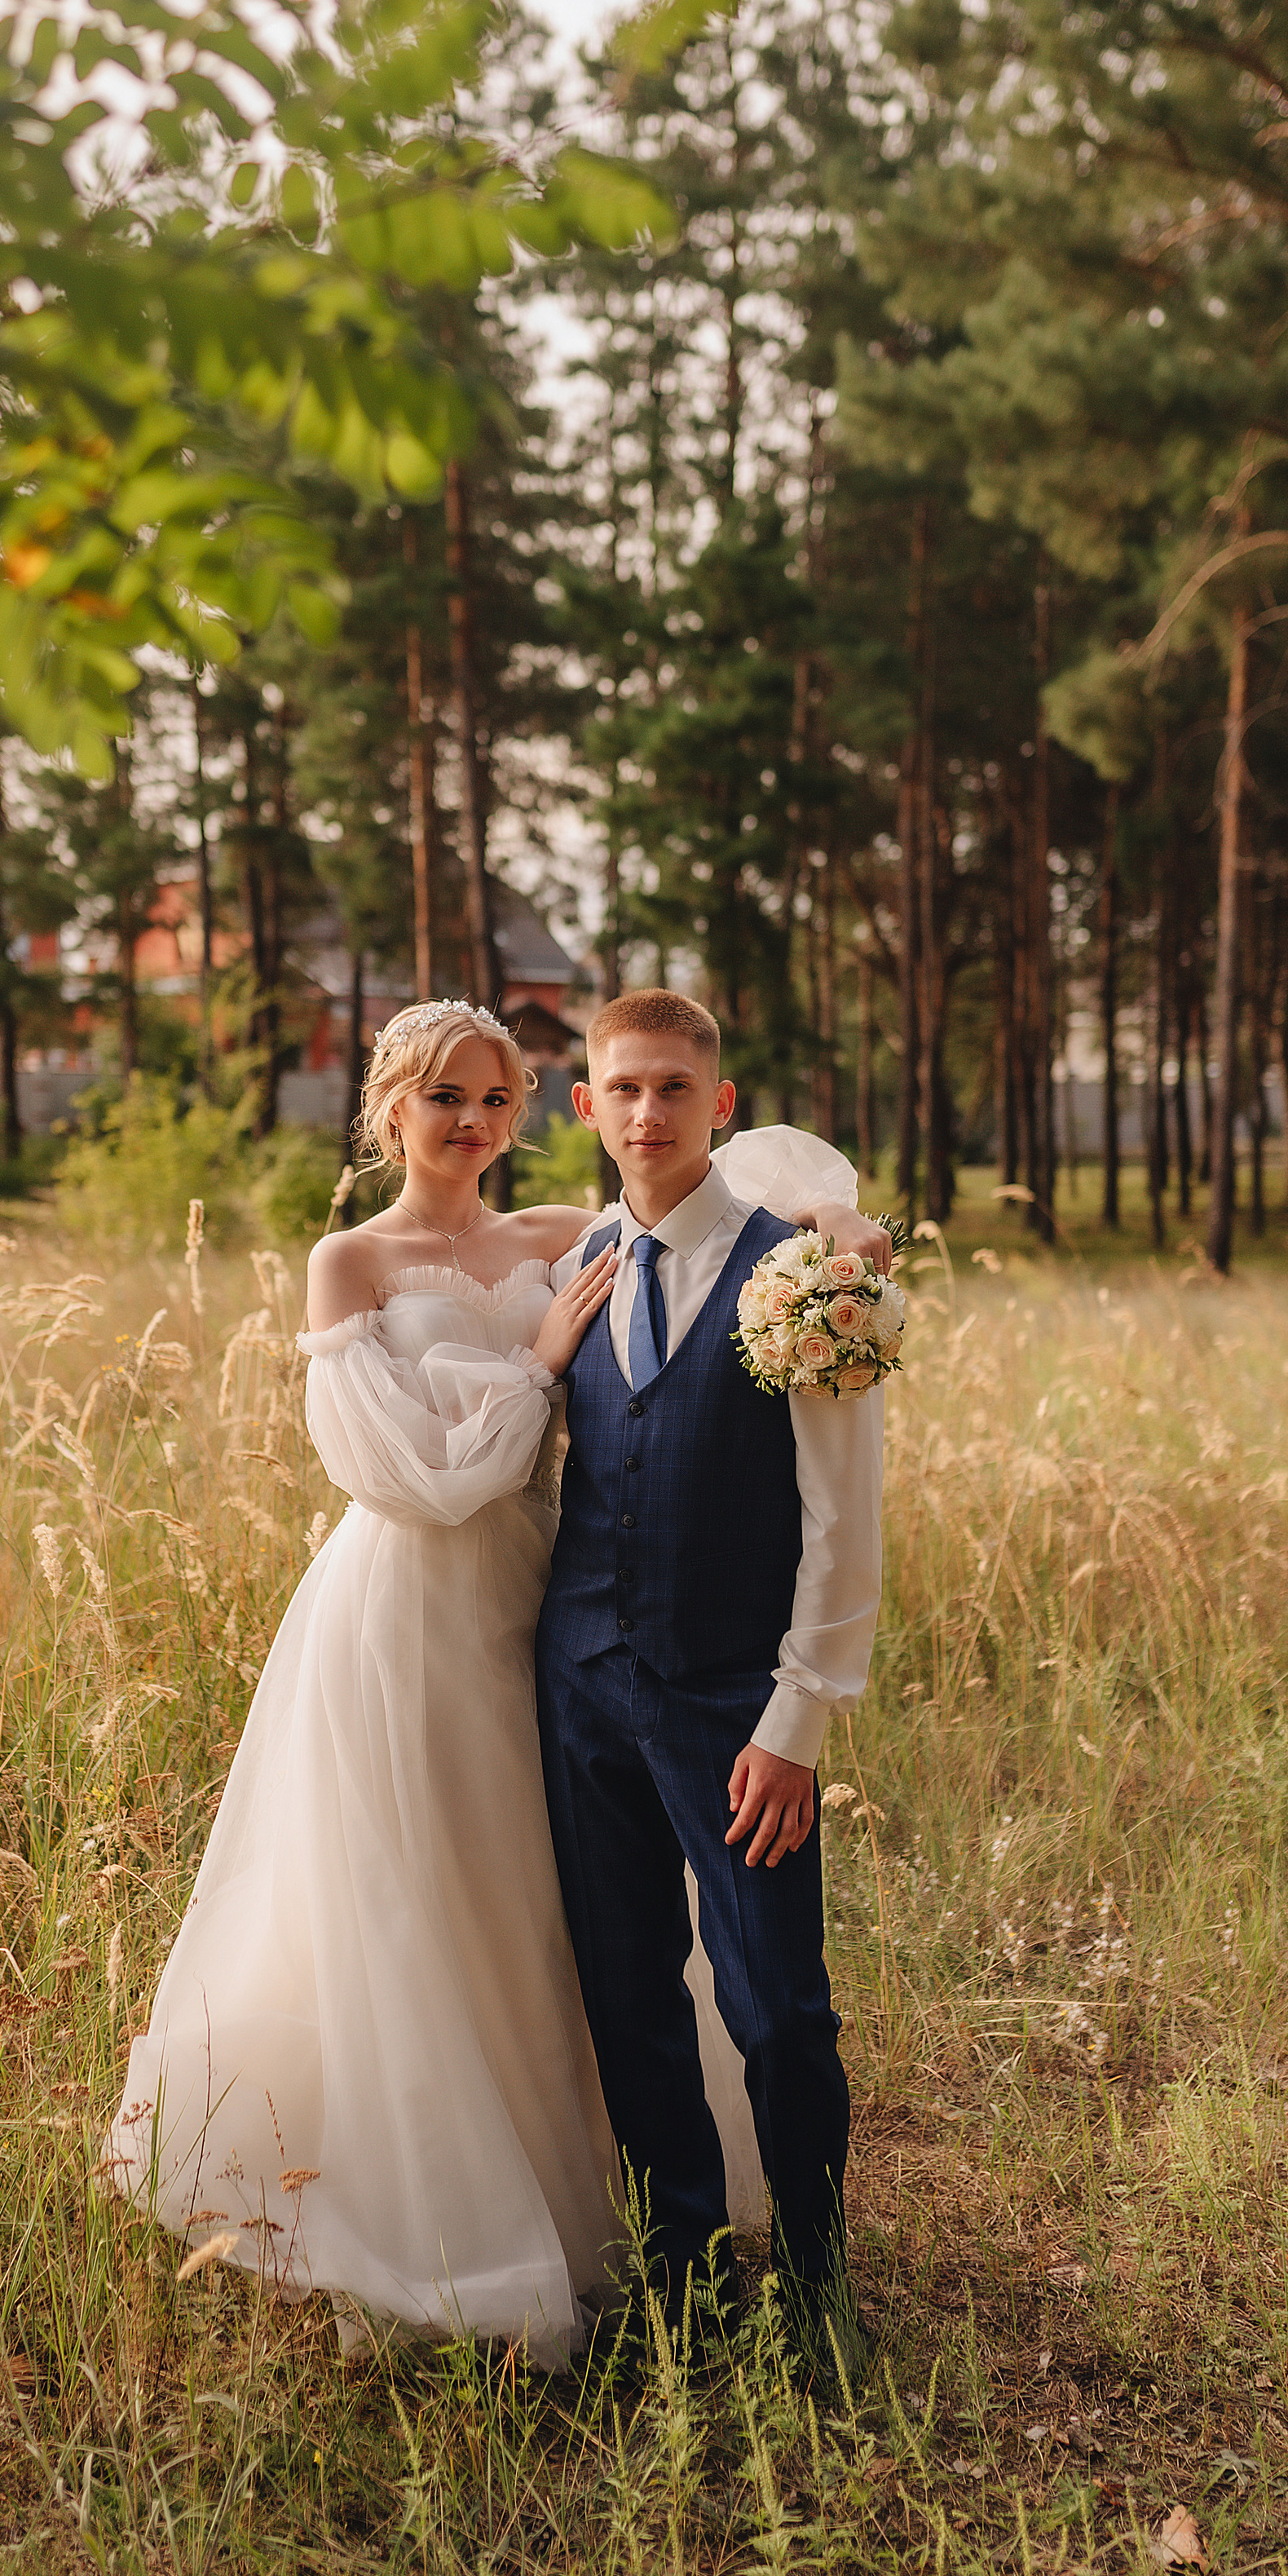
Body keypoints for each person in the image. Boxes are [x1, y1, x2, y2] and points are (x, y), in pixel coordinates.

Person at [101, 996, 885, 2361]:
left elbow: (759, 1191)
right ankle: (575, 2241)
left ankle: (782, 2281)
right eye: (442, 1097)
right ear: (389, 1107)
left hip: (589, 1636)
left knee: (692, 1976)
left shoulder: (563, 1240)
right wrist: (536, 1364)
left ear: (532, 1113)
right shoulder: (357, 1262)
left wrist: (849, 1239)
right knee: (515, 1937)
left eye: (490, 1099)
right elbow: (415, 1470)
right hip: (448, 1628)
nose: (468, 1121)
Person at [536, 991, 885, 2371]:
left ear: (721, 1105)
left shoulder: (798, 1276)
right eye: (623, 1088)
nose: (648, 1112)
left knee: (778, 2006)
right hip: (581, 1689)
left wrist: (796, 1719)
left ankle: (816, 2282)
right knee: (627, 1993)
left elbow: (844, 1520)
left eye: (675, 1087)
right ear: (588, 1107)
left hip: (735, 1702)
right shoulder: (572, 1257)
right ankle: (682, 2268)